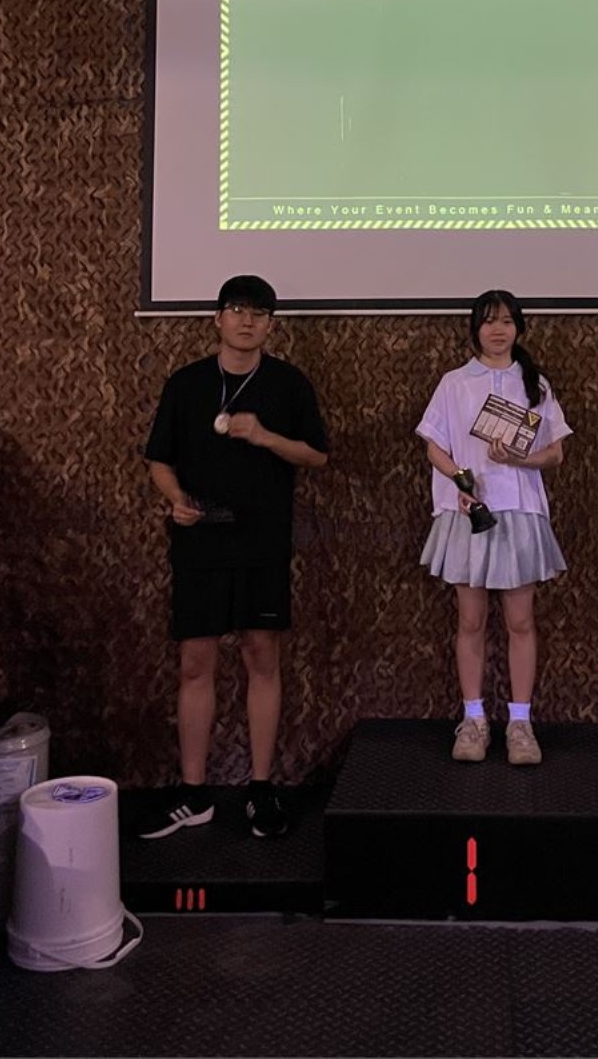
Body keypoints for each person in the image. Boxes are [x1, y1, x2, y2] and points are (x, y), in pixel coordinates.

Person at [139, 275, 329, 840]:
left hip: (262, 541)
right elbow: (159, 459)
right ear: (218, 318)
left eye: (259, 313)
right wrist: (176, 499)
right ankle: (194, 793)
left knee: (261, 656)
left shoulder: (288, 384)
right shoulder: (187, 383)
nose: (247, 320)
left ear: (271, 324)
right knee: (195, 662)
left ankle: (261, 788)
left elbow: (316, 455)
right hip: (199, 540)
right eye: (237, 309)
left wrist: (266, 436)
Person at [417, 290, 571, 766]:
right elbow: (434, 445)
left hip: (520, 512)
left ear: (518, 327)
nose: (498, 330)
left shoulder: (534, 383)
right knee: (470, 621)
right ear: (475, 329)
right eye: (488, 321)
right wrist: (461, 479)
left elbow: (555, 453)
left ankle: (520, 723)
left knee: (520, 621)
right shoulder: (455, 382)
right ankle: (474, 719)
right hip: (469, 513)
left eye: (506, 321)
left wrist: (519, 458)